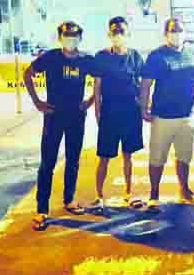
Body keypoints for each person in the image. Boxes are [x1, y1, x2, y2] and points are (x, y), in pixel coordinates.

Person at [24, 21, 95, 231]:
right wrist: (37, 102)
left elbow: (101, 79)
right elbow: (27, 73)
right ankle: (42, 209)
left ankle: (69, 200)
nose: (70, 40)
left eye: (74, 36)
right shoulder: (50, 57)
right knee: (47, 163)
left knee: (73, 160)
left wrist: (90, 101)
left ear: (80, 38)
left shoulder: (86, 60)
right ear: (60, 38)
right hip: (54, 116)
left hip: (76, 116)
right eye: (66, 36)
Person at [140, 18, 194, 213]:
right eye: (172, 31)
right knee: (157, 158)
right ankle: (154, 195)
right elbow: (146, 84)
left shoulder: (191, 54)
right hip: (163, 117)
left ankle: (184, 190)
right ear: (165, 34)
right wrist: (144, 108)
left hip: (186, 116)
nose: (176, 34)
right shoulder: (156, 56)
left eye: (179, 30)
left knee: (184, 156)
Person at [90, 17, 144, 211]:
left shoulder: (135, 56)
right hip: (110, 114)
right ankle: (99, 196)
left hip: (131, 114)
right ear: (109, 34)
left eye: (122, 31)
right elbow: (97, 86)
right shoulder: (101, 57)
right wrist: (97, 111)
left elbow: (143, 84)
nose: (118, 35)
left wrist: (144, 107)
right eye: (114, 31)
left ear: (128, 33)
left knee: (128, 155)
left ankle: (129, 194)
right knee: (104, 157)